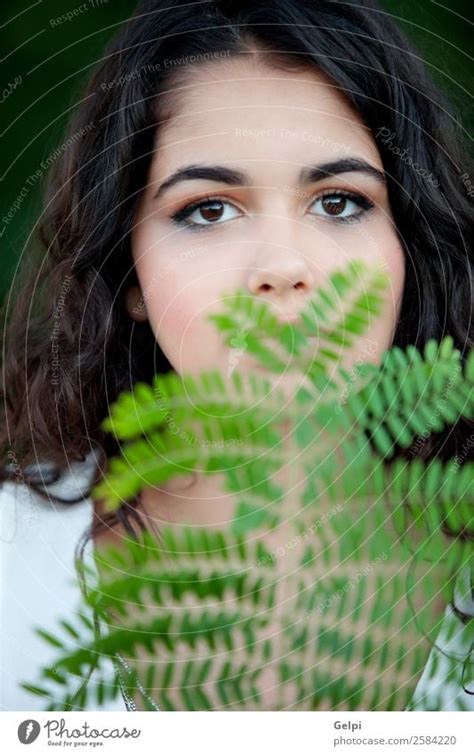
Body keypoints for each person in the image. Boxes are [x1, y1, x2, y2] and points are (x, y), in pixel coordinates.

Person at [1, 0, 472, 711]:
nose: (283, 266)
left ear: (409, 245)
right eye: (209, 209)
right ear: (128, 274)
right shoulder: (12, 566)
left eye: (340, 201)